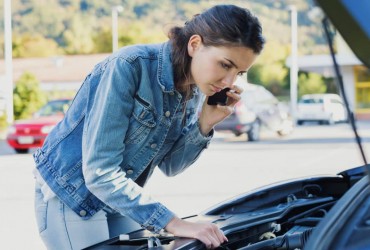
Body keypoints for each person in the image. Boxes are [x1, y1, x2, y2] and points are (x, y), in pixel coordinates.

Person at [33, 4, 264, 249]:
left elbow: (172, 166)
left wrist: (205, 123)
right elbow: (99, 172)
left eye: (239, 73)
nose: (229, 81)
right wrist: (173, 222)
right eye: (225, 65)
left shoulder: (193, 89)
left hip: (119, 195)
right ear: (195, 45)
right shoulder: (128, 66)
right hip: (73, 195)